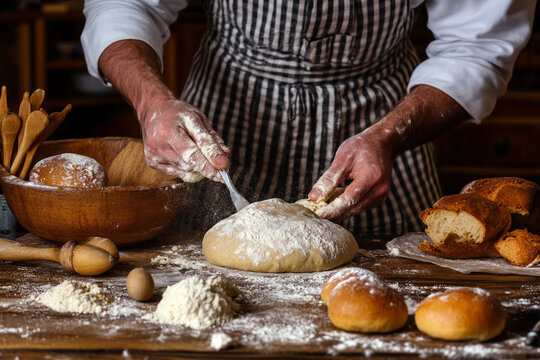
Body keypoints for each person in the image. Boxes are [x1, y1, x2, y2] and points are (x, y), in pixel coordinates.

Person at [81, 0, 536, 237]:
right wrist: (151, 101)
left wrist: (388, 137)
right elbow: (125, 5)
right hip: (221, 119)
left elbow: (476, 44)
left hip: (383, 127)